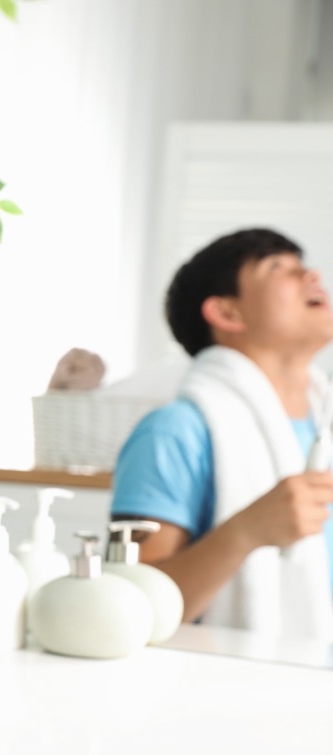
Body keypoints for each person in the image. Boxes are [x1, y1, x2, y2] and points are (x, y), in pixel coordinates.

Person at [111, 228, 333, 639]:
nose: (312, 275)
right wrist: (245, 532)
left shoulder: (324, 423)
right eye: (281, 268)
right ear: (228, 313)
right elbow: (132, 608)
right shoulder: (174, 433)